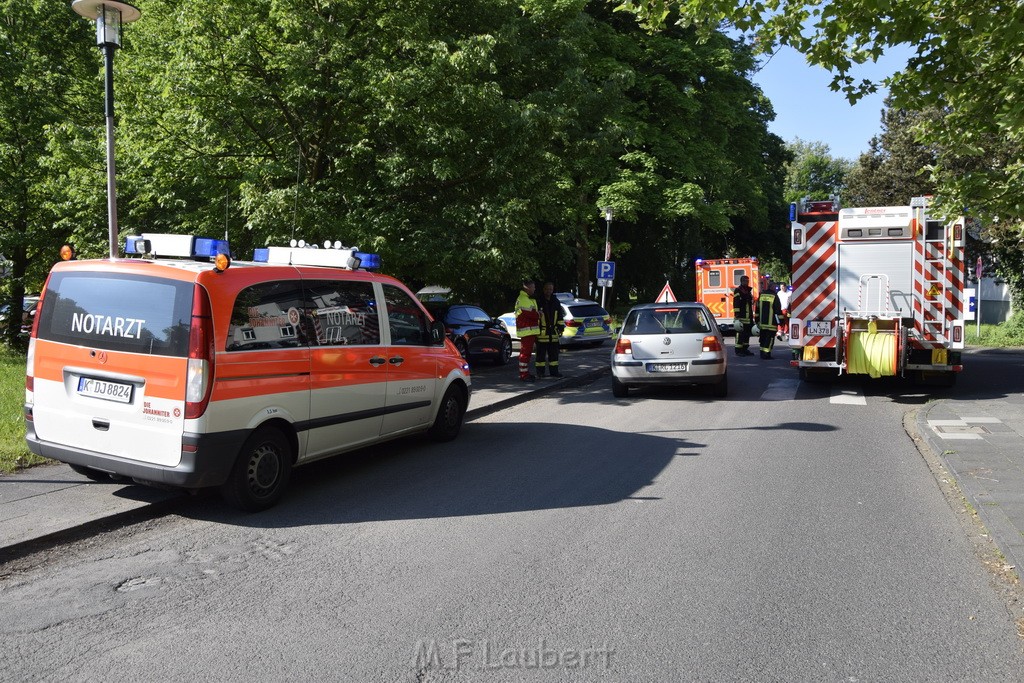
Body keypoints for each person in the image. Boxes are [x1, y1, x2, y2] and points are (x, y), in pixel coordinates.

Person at [535, 282, 562, 377]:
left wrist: (560, 328)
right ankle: (540, 373)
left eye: (551, 289)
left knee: (554, 355)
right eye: (547, 289)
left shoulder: (556, 301)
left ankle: (554, 372)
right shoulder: (538, 301)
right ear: (543, 289)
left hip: (553, 333)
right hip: (541, 333)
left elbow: (560, 316)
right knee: (540, 356)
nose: (549, 291)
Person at [514, 279, 540, 382]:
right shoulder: (524, 299)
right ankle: (524, 375)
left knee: (526, 353)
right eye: (533, 287)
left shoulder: (525, 298)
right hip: (527, 330)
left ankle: (525, 373)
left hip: (528, 330)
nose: (534, 289)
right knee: (525, 353)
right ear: (527, 288)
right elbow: (530, 314)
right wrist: (539, 314)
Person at [756, 285, 784, 359]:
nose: (775, 289)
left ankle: (762, 353)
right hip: (771, 324)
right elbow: (778, 310)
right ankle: (766, 354)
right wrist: (781, 322)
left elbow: (757, 308)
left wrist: (757, 320)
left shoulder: (761, 295)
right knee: (769, 339)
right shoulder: (774, 296)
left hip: (762, 323)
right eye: (775, 287)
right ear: (772, 288)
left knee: (762, 338)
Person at [732, 275, 755, 356]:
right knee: (740, 333)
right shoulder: (738, 291)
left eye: (748, 281)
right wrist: (737, 315)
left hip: (748, 317)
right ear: (742, 281)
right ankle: (738, 350)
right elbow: (736, 303)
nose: (747, 282)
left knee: (747, 334)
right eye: (746, 281)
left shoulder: (748, 291)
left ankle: (745, 349)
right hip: (741, 317)